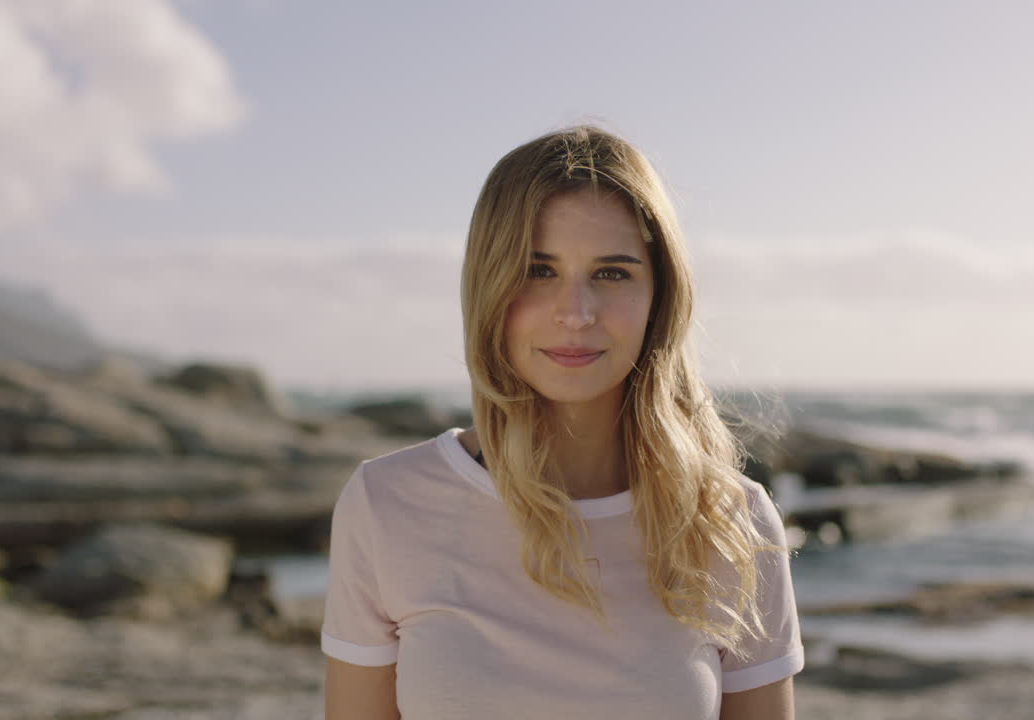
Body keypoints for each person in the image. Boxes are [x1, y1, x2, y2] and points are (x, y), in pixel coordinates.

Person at [321, 125, 802, 719]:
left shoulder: (730, 520)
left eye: (612, 272)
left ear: (660, 296)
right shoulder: (386, 502)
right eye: (538, 270)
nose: (575, 313)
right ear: (488, 285)